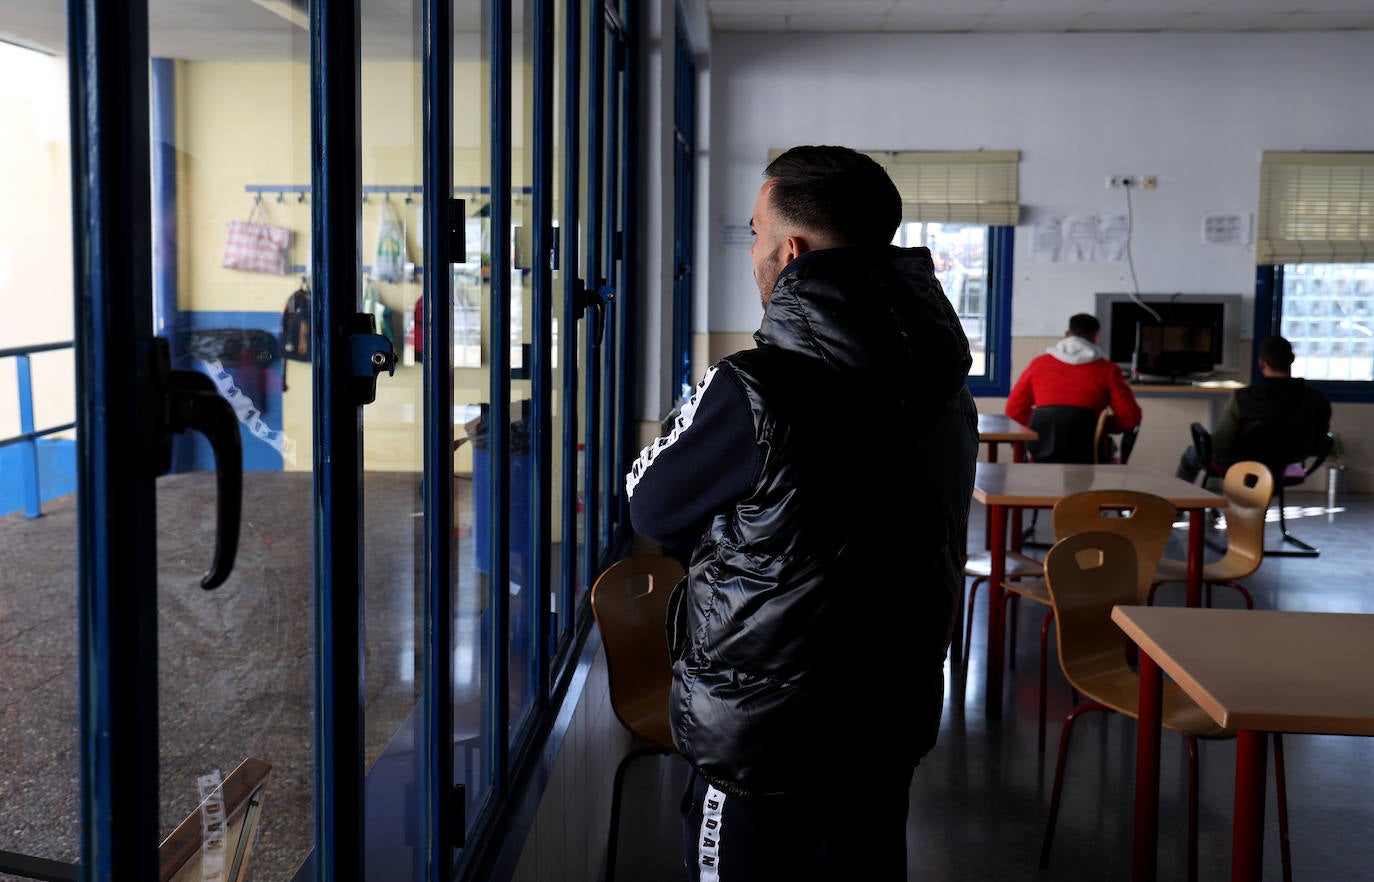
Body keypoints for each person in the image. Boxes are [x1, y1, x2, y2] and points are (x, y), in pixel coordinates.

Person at [624, 146, 978, 881]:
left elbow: (652, 502)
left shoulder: (754, 386)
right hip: (886, 723)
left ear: (791, 249)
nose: (752, 250)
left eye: (755, 232)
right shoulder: (950, 390)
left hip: (764, 742)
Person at [1175, 334, 1331, 483]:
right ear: (1291, 360)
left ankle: (1176, 507)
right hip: (1285, 463)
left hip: (1239, 465)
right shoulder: (1316, 399)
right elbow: (1318, 446)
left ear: (1261, 363)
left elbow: (1221, 446)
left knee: (1193, 453)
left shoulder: (1243, 398)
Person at [1004, 312, 1143, 458]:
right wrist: (1097, 426)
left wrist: (1043, 426)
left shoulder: (1039, 364)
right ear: (1096, 337)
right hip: (1090, 458)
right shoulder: (1108, 370)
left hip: (1042, 455)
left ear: (1067, 334)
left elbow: (1014, 410)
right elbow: (1131, 417)